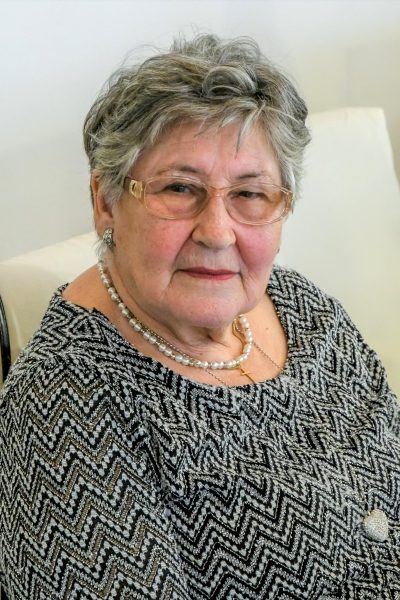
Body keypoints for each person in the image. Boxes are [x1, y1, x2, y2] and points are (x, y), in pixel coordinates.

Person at [0, 34, 399, 600]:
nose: (216, 232)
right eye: (180, 188)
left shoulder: (302, 306)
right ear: (105, 202)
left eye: (250, 195)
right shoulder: (64, 407)